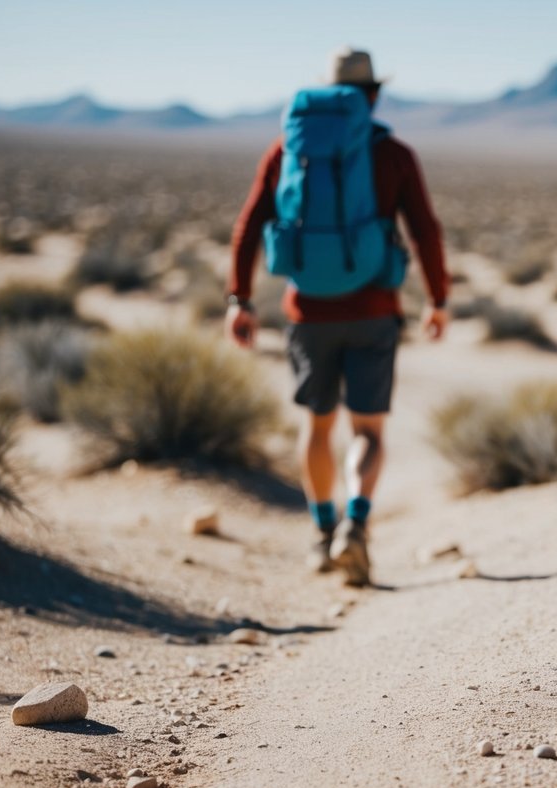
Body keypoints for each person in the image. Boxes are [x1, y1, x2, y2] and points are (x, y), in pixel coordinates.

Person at [226, 47, 450, 588]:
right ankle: (357, 522)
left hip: (307, 311)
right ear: (372, 95)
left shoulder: (288, 148)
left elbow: (249, 225)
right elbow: (424, 230)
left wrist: (240, 298)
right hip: (375, 309)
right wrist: (438, 298)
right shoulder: (393, 153)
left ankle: (323, 535)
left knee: (317, 425)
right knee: (368, 430)